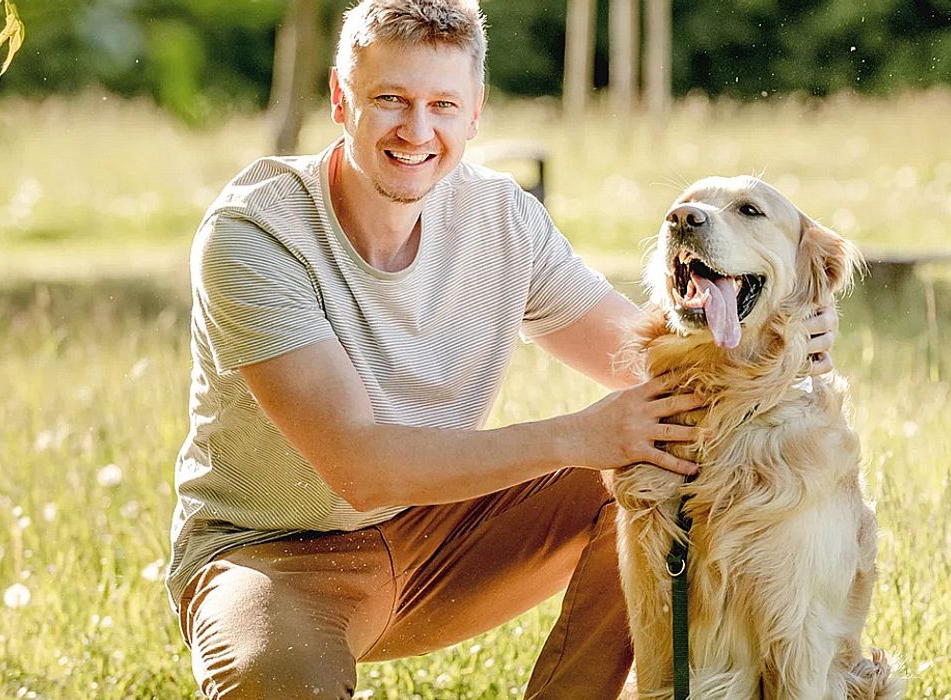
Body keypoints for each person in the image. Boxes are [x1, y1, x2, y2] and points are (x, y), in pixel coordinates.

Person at [166, 1, 839, 698]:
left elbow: (637, 355)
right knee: (276, 689)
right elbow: (358, 468)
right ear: (341, 98)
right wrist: (577, 435)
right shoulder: (256, 233)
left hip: (446, 538)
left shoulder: (501, 217)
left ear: (474, 113)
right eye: (389, 100)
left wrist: (772, 329)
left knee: (650, 456)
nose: (416, 131)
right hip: (273, 554)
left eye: (442, 105)